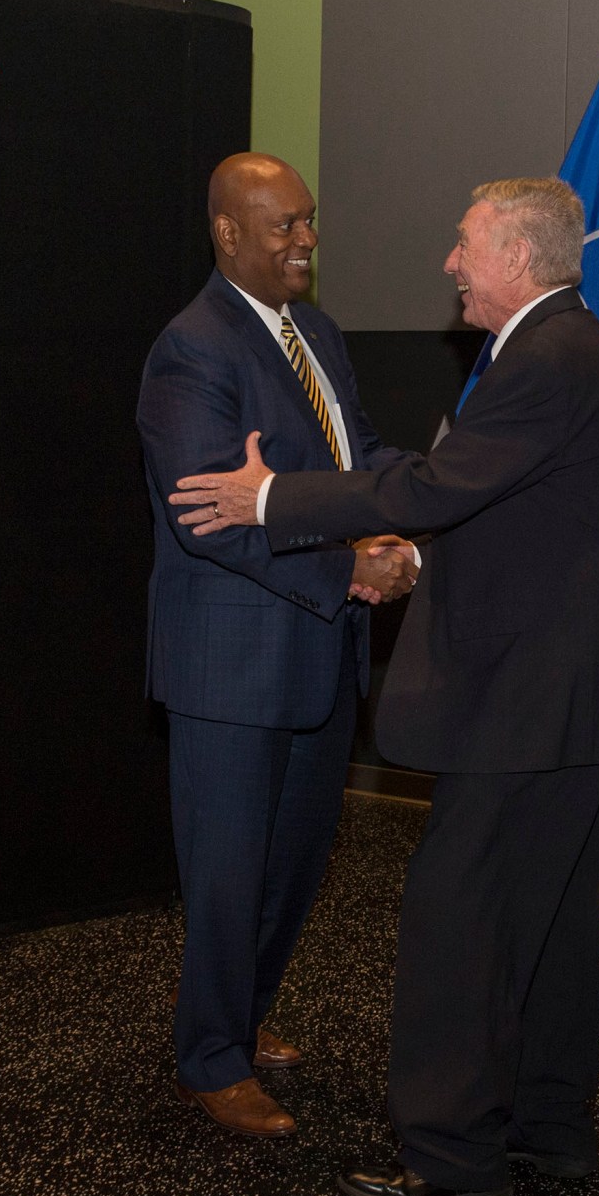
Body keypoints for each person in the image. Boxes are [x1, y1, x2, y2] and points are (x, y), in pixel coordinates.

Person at [170, 177, 599, 1196]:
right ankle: (546, 1126)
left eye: (464, 241)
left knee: (462, 923)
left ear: (517, 258)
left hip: (530, 699)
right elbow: (511, 513)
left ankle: (449, 1158)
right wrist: (402, 555)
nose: (447, 262)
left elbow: (438, 487)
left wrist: (268, 495)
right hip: (573, 694)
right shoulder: (563, 349)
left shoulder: (544, 355)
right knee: (549, 927)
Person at [138, 152, 418, 1138]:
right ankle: (208, 1057)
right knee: (226, 866)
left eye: (307, 220)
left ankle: (242, 1014)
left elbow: (362, 458)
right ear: (225, 232)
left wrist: (408, 514)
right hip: (233, 663)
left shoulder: (319, 334)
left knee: (293, 860)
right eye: (280, 225)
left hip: (317, 653)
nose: (303, 239)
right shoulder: (190, 350)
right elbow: (205, 517)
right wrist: (348, 570)